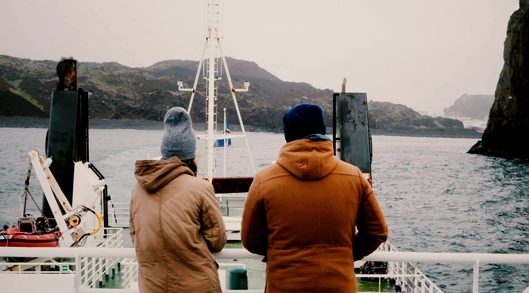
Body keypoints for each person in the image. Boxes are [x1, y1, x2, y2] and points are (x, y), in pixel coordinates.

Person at [241, 103, 389, 292]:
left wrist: (280, 252)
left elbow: (250, 240)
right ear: (322, 130)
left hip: (284, 285)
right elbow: (377, 231)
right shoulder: (354, 176)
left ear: (288, 135)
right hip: (339, 284)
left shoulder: (265, 180)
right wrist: (345, 253)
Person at [130, 107, 226, 293]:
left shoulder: (138, 189)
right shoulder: (201, 188)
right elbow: (217, 240)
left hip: (152, 286)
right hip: (196, 286)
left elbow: (135, 235)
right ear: (191, 154)